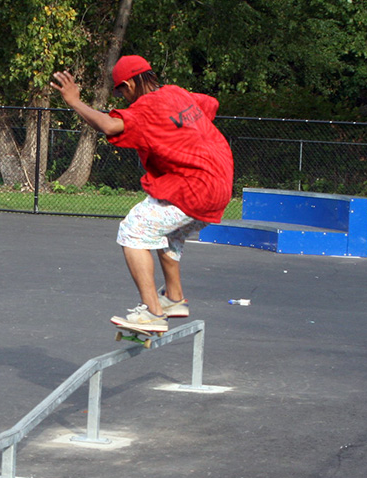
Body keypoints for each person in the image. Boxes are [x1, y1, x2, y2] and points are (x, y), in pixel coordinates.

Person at [51, 55, 234, 332]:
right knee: (169, 233)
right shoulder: (176, 92)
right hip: (221, 183)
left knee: (134, 230)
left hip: (194, 187)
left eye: (120, 91)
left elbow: (109, 126)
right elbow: (211, 104)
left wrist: (75, 101)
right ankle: (174, 299)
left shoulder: (144, 108)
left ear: (129, 84)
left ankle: (152, 313)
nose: (122, 97)